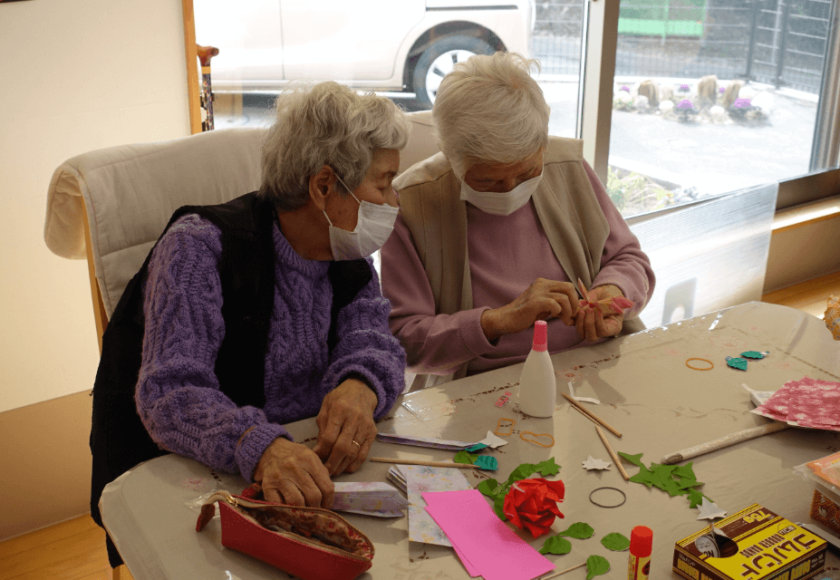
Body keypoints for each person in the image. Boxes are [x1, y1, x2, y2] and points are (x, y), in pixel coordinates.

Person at [92, 81, 409, 539]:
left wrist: (361, 385)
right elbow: (170, 393)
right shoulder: (198, 248)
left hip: (310, 470)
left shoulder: (346, 253)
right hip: (205, 478)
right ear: (324, 186)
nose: (394, 200)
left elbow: (374, 339)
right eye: (384, 183)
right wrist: (259, 445)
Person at [380, 52, 655, 390]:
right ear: (451, 157)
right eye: (487, 181)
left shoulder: (566, 166)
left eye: (527, 173)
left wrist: (612, 293)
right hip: (482, 382)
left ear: (542, 145)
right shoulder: (410, 203)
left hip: (591, 361)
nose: (510, 190)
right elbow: (404, 339)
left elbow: (629, 260)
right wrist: (497, 321)